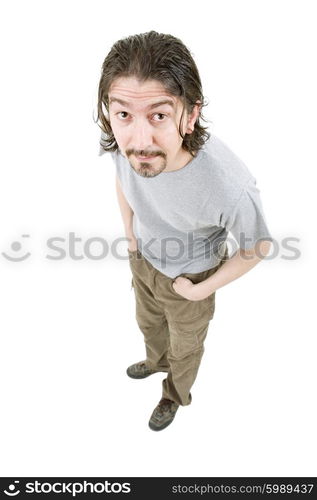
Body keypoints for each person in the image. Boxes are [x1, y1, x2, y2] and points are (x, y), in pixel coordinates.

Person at [96, 30, 273, 431]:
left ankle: (174, 393)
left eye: (159, 115)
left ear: (190, 115)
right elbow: (123, 176)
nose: (140, 140)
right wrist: (130, 232)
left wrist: (201, 289)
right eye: (123, 113)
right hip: (143, 259)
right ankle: (156, 361)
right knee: (148, 323)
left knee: (185, 346)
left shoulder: (228, 185)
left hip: (190, 278)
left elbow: (258, 246)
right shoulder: (121, 136)